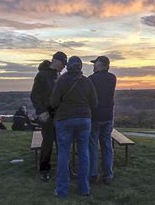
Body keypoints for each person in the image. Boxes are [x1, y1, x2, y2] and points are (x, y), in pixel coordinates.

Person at [50, 56, 98, 198]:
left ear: (68, 66)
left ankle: (62, 190)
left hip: (64, 119)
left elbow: (53, 102)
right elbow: (94, 103)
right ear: (80, 67)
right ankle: (84, 188)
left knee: (63, 153)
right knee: (84, 153)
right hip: (84, 119)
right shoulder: (87, 81)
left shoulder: (61, 81)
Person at [30, 51, 67, 182]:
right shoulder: (42, 75)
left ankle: (63, 168)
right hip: (47, 115)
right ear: (56, 60)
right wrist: (41, 112)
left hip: (60, 114)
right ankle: (44, 170)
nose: (64, 66)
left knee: (61, 142)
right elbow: (34, 96)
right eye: (63, 63)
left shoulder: (59, 75)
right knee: (47, 143)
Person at [88, 56, 117, 185]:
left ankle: (93, 174)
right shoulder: (112, 78)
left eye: (95, 64)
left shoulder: (91, 79)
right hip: (108, 116)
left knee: (93, 146)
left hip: (94, 116)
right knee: (107, 146)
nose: (93, 66)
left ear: (102, 65)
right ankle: (108, 175)